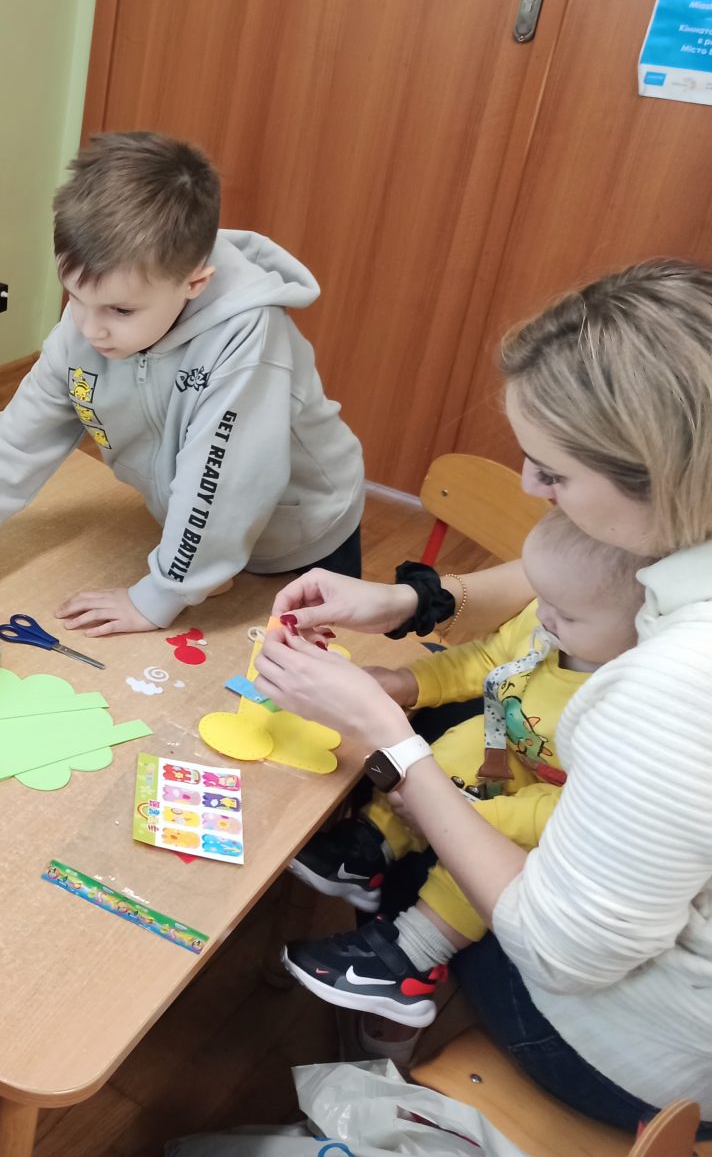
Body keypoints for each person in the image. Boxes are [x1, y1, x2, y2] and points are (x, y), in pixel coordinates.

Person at [257, 259, 712, 1133]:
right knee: (474, 720)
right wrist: (411, 602)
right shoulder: (675, 535)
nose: (530, 488)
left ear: (655, 473)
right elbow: (558, 595)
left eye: (554, 473)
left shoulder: (673, 688)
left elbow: (561, 950)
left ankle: (394, 1001)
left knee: (444, 803)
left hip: (633, 1055)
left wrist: (395, 749)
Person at [0, 132, 364, 637]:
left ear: (195, 283)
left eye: (120, 310)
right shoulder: (92, 321)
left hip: (298, 538)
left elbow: (225, 488)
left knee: (300, 674)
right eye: (74, 296)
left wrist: (158, 597)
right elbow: (17, 438)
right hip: (194, 540)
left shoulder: (245, 339)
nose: (90, 328)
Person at [281, 509, 647, 1026]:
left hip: (564, 805)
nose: (542, 616)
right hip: (514, 751)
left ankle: (410, 959)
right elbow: (486, 662)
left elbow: (576, 814)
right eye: (540, 596)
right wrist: (405, 683)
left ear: (646, 631)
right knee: (454, 746)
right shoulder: (553, 620)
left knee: (492, 852)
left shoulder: (631, 704)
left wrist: (463, 819)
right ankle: (370, 845)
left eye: (565, 614)